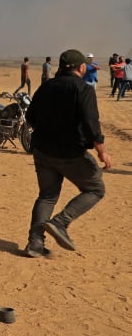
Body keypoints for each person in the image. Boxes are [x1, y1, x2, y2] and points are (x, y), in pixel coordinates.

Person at [23, 49, 111, 258]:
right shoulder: (83, 89)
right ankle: (60, 223)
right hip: (70, 153)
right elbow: (92, 123)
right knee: (96, 189)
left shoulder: (45, 87)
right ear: (81, 67)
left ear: (61, 67)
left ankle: (34, 244)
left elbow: (31, 117)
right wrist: (102, 152)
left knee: (47, 196)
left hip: (42, 150)